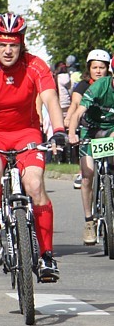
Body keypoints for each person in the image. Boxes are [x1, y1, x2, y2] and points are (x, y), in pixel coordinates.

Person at [0, 13, 65, 282]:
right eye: (3, 44)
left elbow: (50, 99)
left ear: (22, 44)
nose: (8, 50)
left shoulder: (36, 66)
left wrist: (59, 132)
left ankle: (46, 255)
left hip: (27, 132)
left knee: (35, 185)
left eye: (13, 45)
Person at [66, 49, 113, 245]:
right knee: (88, 174)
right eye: (95, 67)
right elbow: (78, 112)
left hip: (111, 129)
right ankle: (88, 222)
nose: (98, 70)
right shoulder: (97, 87)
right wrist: (71, 133)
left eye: (102, 67)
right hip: (90, 130)